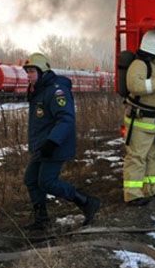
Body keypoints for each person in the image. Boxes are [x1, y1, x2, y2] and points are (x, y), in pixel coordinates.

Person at [22, 52, 100, 230]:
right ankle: (41, 219)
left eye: (32, 71)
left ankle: (87, 202)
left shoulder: (57, 91)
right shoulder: (39, 90)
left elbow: (66, 119)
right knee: (31, 180)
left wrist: (52, 142)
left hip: (54, 146)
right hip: (41, 146)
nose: (29, 75)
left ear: (42, 72)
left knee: (47, 182)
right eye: (27, 72)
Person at [123, 29, 155, 205]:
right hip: (140, 121)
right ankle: (133, 194)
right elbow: (134, 85)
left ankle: (150, 189)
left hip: (152, 122)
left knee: (152, 156)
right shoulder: (139, 65)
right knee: (136, 157)